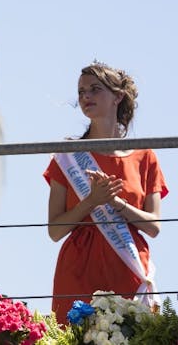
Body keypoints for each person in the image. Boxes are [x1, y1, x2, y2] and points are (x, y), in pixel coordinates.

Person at [44, 62, 168, 323]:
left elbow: (154, 226)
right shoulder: (67, 157)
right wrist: (92, 201)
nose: (85, 97)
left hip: (128, 266)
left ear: (117, 97)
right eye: (81, 92)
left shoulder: (145, 156)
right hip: (78, 271)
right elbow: (54, 231)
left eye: (94, 89)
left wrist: (116, 203)